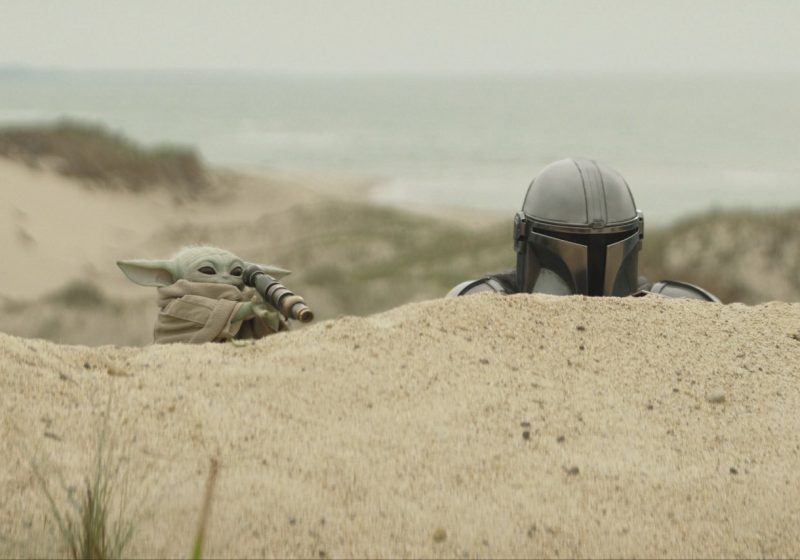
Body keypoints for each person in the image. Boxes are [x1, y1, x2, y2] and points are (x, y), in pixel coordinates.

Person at [448, 158, 720, 302]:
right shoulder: (688, 302)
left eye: (608, 241)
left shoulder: (476, 301)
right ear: (638, 234)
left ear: (522, 233)